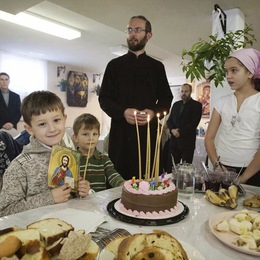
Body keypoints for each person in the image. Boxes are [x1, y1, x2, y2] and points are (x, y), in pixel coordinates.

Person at [99, 15, 173, 180]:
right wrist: (123, 112)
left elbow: (166, 99)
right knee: (119, 183)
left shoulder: (157, 67)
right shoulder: (114, 66)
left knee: (148, 181)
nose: (133, 34)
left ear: (148, 35)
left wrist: (153, 113)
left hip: (149, 135)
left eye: (138, 30)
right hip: (120, 136)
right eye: (130, 30)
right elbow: (104, 99)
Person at [0, 91, 90, 217]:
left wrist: (80, 190)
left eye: (57, 120)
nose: (52, 129)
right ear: (29, 129)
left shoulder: (70, 156)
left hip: (70, 222)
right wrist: (49, 198)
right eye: (42, 124)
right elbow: (4, 211)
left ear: (65, 119)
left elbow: (70, 194)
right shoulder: (20, 166)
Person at [205, 48, 260, 186]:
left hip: (253, 172)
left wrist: (243, 178)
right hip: (223, 169)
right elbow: (209, 138)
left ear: (250, 73)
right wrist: (217, 166)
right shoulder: (222, 102)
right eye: (226, 71)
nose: (228, 76)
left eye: (234, 70)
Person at [73, 113, 125, 192]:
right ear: (76, 137)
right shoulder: (71, 159)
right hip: (78, 201)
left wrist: (122, 183)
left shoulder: (103, 159)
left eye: (94, 134)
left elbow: (113, 175)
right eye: (85, 134)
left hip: (99, 201)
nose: (91, 138)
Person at [166, 83, 202, 170]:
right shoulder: (176, 105)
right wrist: (172, 130)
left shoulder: (197, 105)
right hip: (174, 143)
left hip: (187, 143)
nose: (183, 93)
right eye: (182, 91)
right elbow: (169, 121)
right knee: (171, 168)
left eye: (186, 91)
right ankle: (171, 184)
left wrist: (180, 132)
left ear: (190, 92)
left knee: (186, 170)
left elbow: (193, 124)